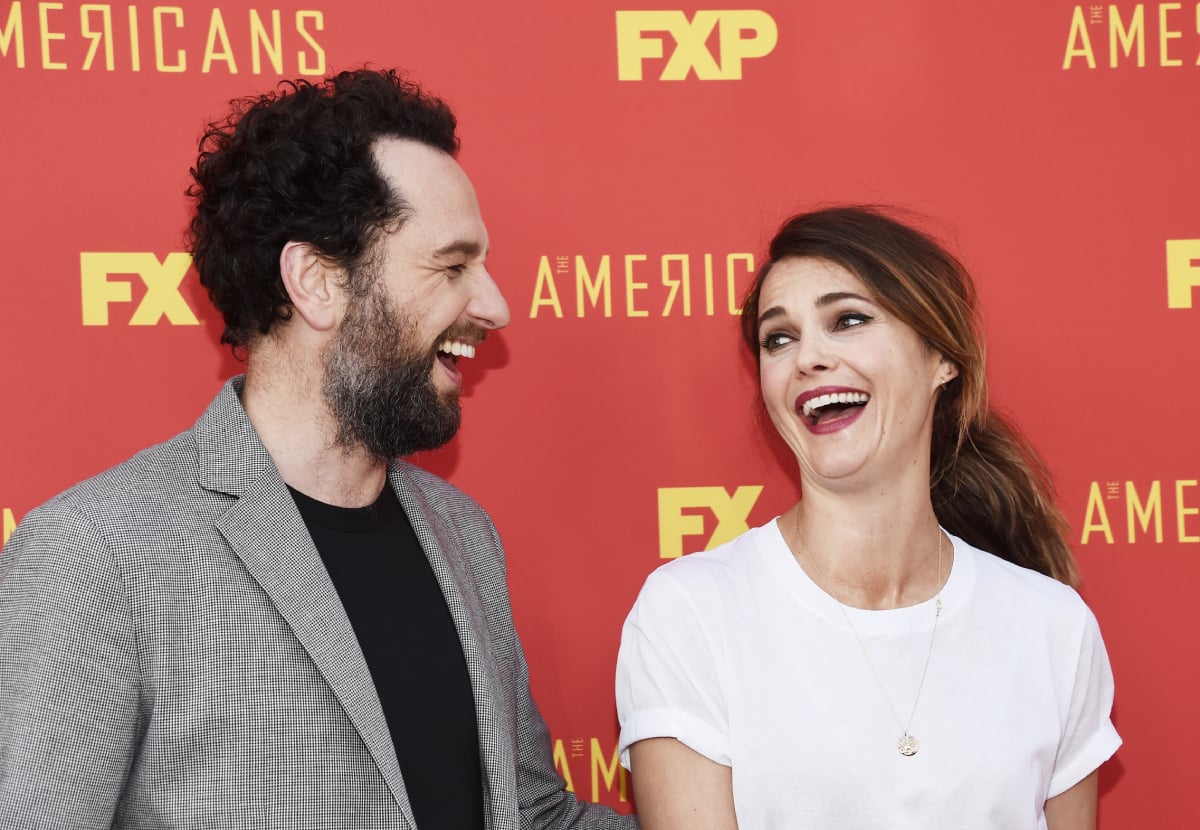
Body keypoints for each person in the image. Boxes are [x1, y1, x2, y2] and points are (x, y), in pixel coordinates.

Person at [0, 68, 636, 830]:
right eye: (452, 265)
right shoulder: (98, 552)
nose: (495, 305)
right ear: (317, 281)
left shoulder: (463, 533)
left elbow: (530, 815)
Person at [615, 206, 1120, 829]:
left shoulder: (1053, 628)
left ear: (942, 357)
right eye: (780, 338)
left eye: (848, 320)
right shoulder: (691, 613)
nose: (808, 358)